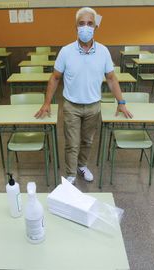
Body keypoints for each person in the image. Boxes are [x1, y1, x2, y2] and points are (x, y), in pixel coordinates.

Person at [35, 7, 132, 184]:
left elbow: (111, 78)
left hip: (94, 106)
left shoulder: (103, 51)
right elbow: (55, 78)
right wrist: (46, 103)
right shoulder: (66, 51)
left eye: (89, 23)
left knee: (87, 141)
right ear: (76, 27)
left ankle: (82, 165)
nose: (85, 27)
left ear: (96, 27)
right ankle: (71, 173)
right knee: (72, 143)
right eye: (81, 24)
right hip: (71, 106)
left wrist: (121, 102)